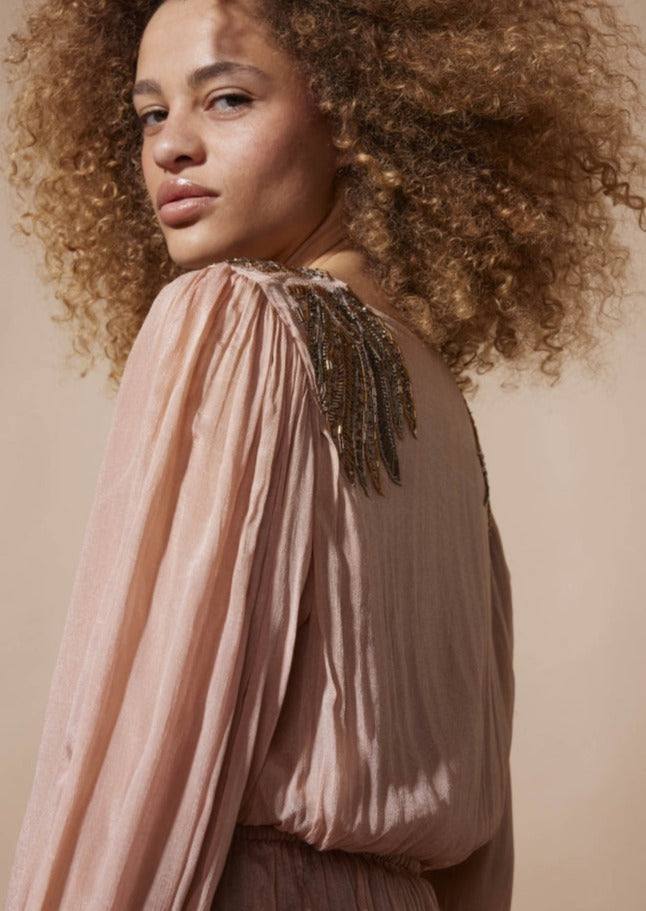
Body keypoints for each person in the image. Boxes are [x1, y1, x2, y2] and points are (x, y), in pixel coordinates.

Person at [3, 0, 644, 908]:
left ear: (348, 113)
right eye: (150, 113)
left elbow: (144, 763)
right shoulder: (445, 408)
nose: (170, 146)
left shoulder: (236, 317)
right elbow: (480, 835)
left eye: (226, 98)